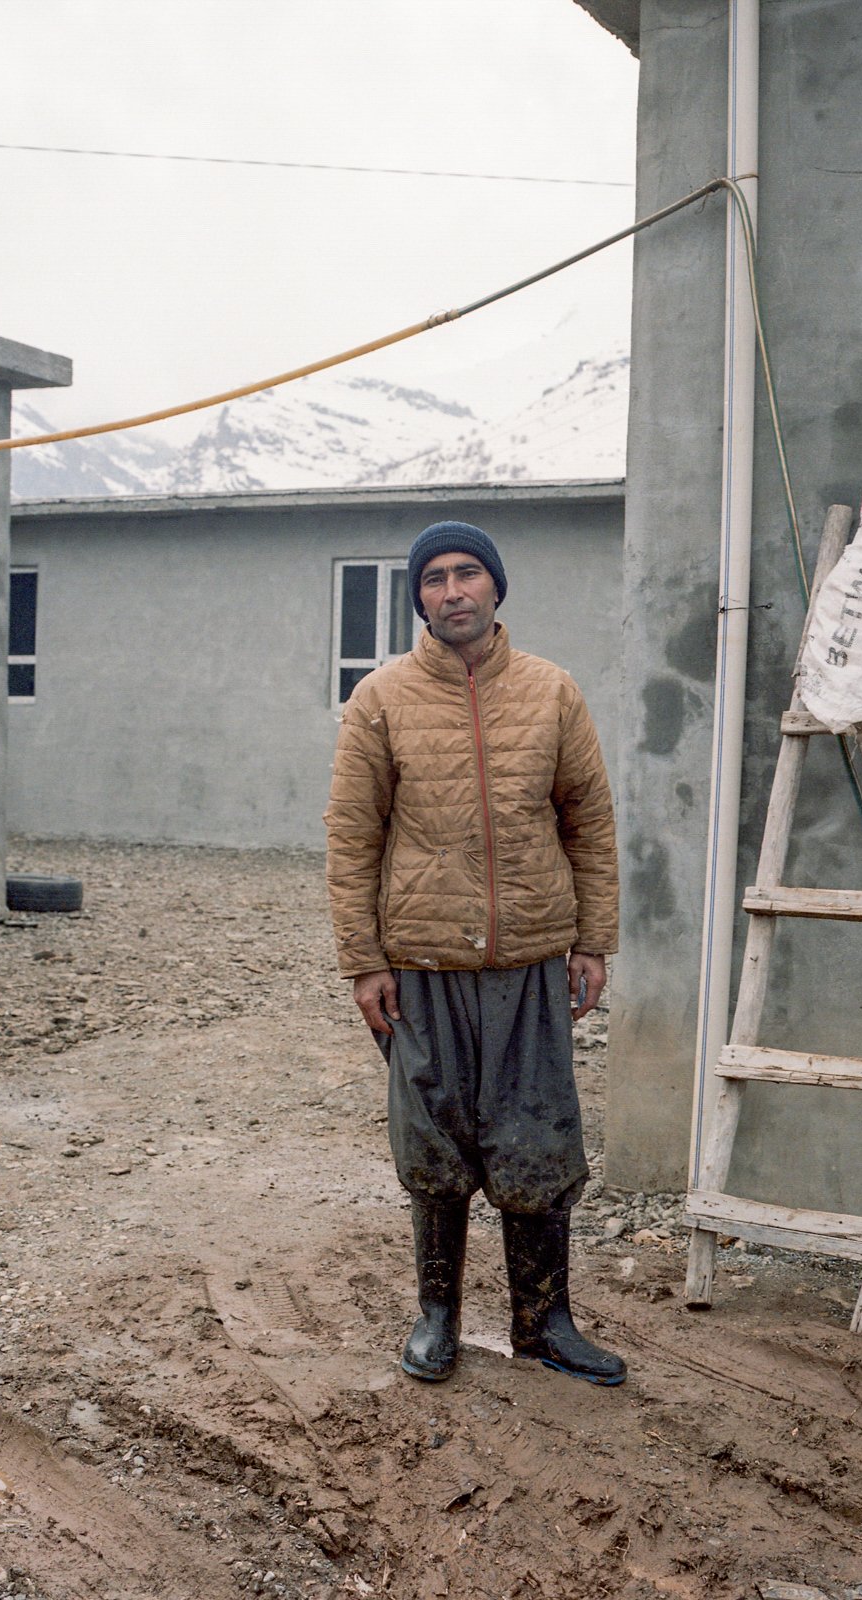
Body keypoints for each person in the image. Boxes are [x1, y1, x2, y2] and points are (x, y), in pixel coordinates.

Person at [324, 520, 624, 1386]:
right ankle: (438, 1316)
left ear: (496, 588)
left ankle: (546, 1322)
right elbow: (352, 836)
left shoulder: (552, 691)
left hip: (531, 958)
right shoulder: (380, 698)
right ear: (418, 597)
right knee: (434, 1141)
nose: (451, 591)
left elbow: (589, 825)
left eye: (467, 574)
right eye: (433, 580)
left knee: (539, 1138)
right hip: (422, 962)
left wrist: (593, 940)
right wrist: (364, 960)